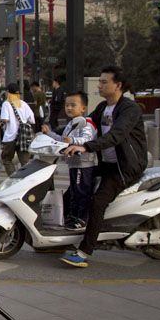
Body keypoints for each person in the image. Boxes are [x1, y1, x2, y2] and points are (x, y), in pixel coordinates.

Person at [60, 66, 147, 268]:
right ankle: (64, 237)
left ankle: (84, 251)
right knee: (73, 190)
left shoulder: (129, 109)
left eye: (104, 82)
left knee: (98, 202)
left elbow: (116, 135)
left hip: (125, 167)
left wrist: (85, 146)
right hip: (107, 164)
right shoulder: (102, 108)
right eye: (99, 81)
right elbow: (82, 124)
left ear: (118, 85)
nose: (99, 85)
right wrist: (53, 136)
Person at [42, 91, 96, 231]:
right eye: (67, 105)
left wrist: (73, 140)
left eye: (73, 105)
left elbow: (88, 140)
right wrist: (49, 134)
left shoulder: (86, 123)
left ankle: (83, 219)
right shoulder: (71, 124)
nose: (69, 108)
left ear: (83, 108)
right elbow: (62, 139)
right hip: (74, 164)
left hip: (83, 165)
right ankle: (72, 216)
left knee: (81, 192)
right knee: (73, 191)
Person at [0, 83, 35, 175]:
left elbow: (6, 119)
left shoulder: (6, 104)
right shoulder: (24, 104)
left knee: (6, 159)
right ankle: (26, 180)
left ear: (8, 92)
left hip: (11, 136)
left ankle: (13, 179)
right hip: (24, 136)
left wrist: (0, 119)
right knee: (25, 161)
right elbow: (32, 120)